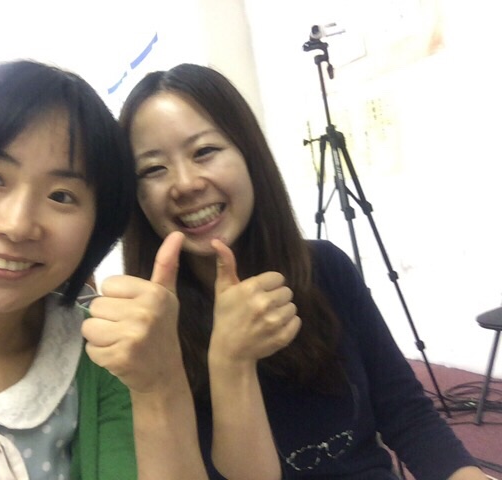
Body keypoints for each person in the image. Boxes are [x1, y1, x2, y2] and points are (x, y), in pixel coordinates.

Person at [116, 63, 488, 480]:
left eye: (204, 151)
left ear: (249, 154)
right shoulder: (151, 331)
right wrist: (229, 359)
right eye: (153, 169)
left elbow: (406, 413)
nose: (185, 184)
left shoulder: (325, 269)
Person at [0, 60, 207, 480]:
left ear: (98, 227)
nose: (17, 225)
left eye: (61, 196)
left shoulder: (103, 357)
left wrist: (161, 383)